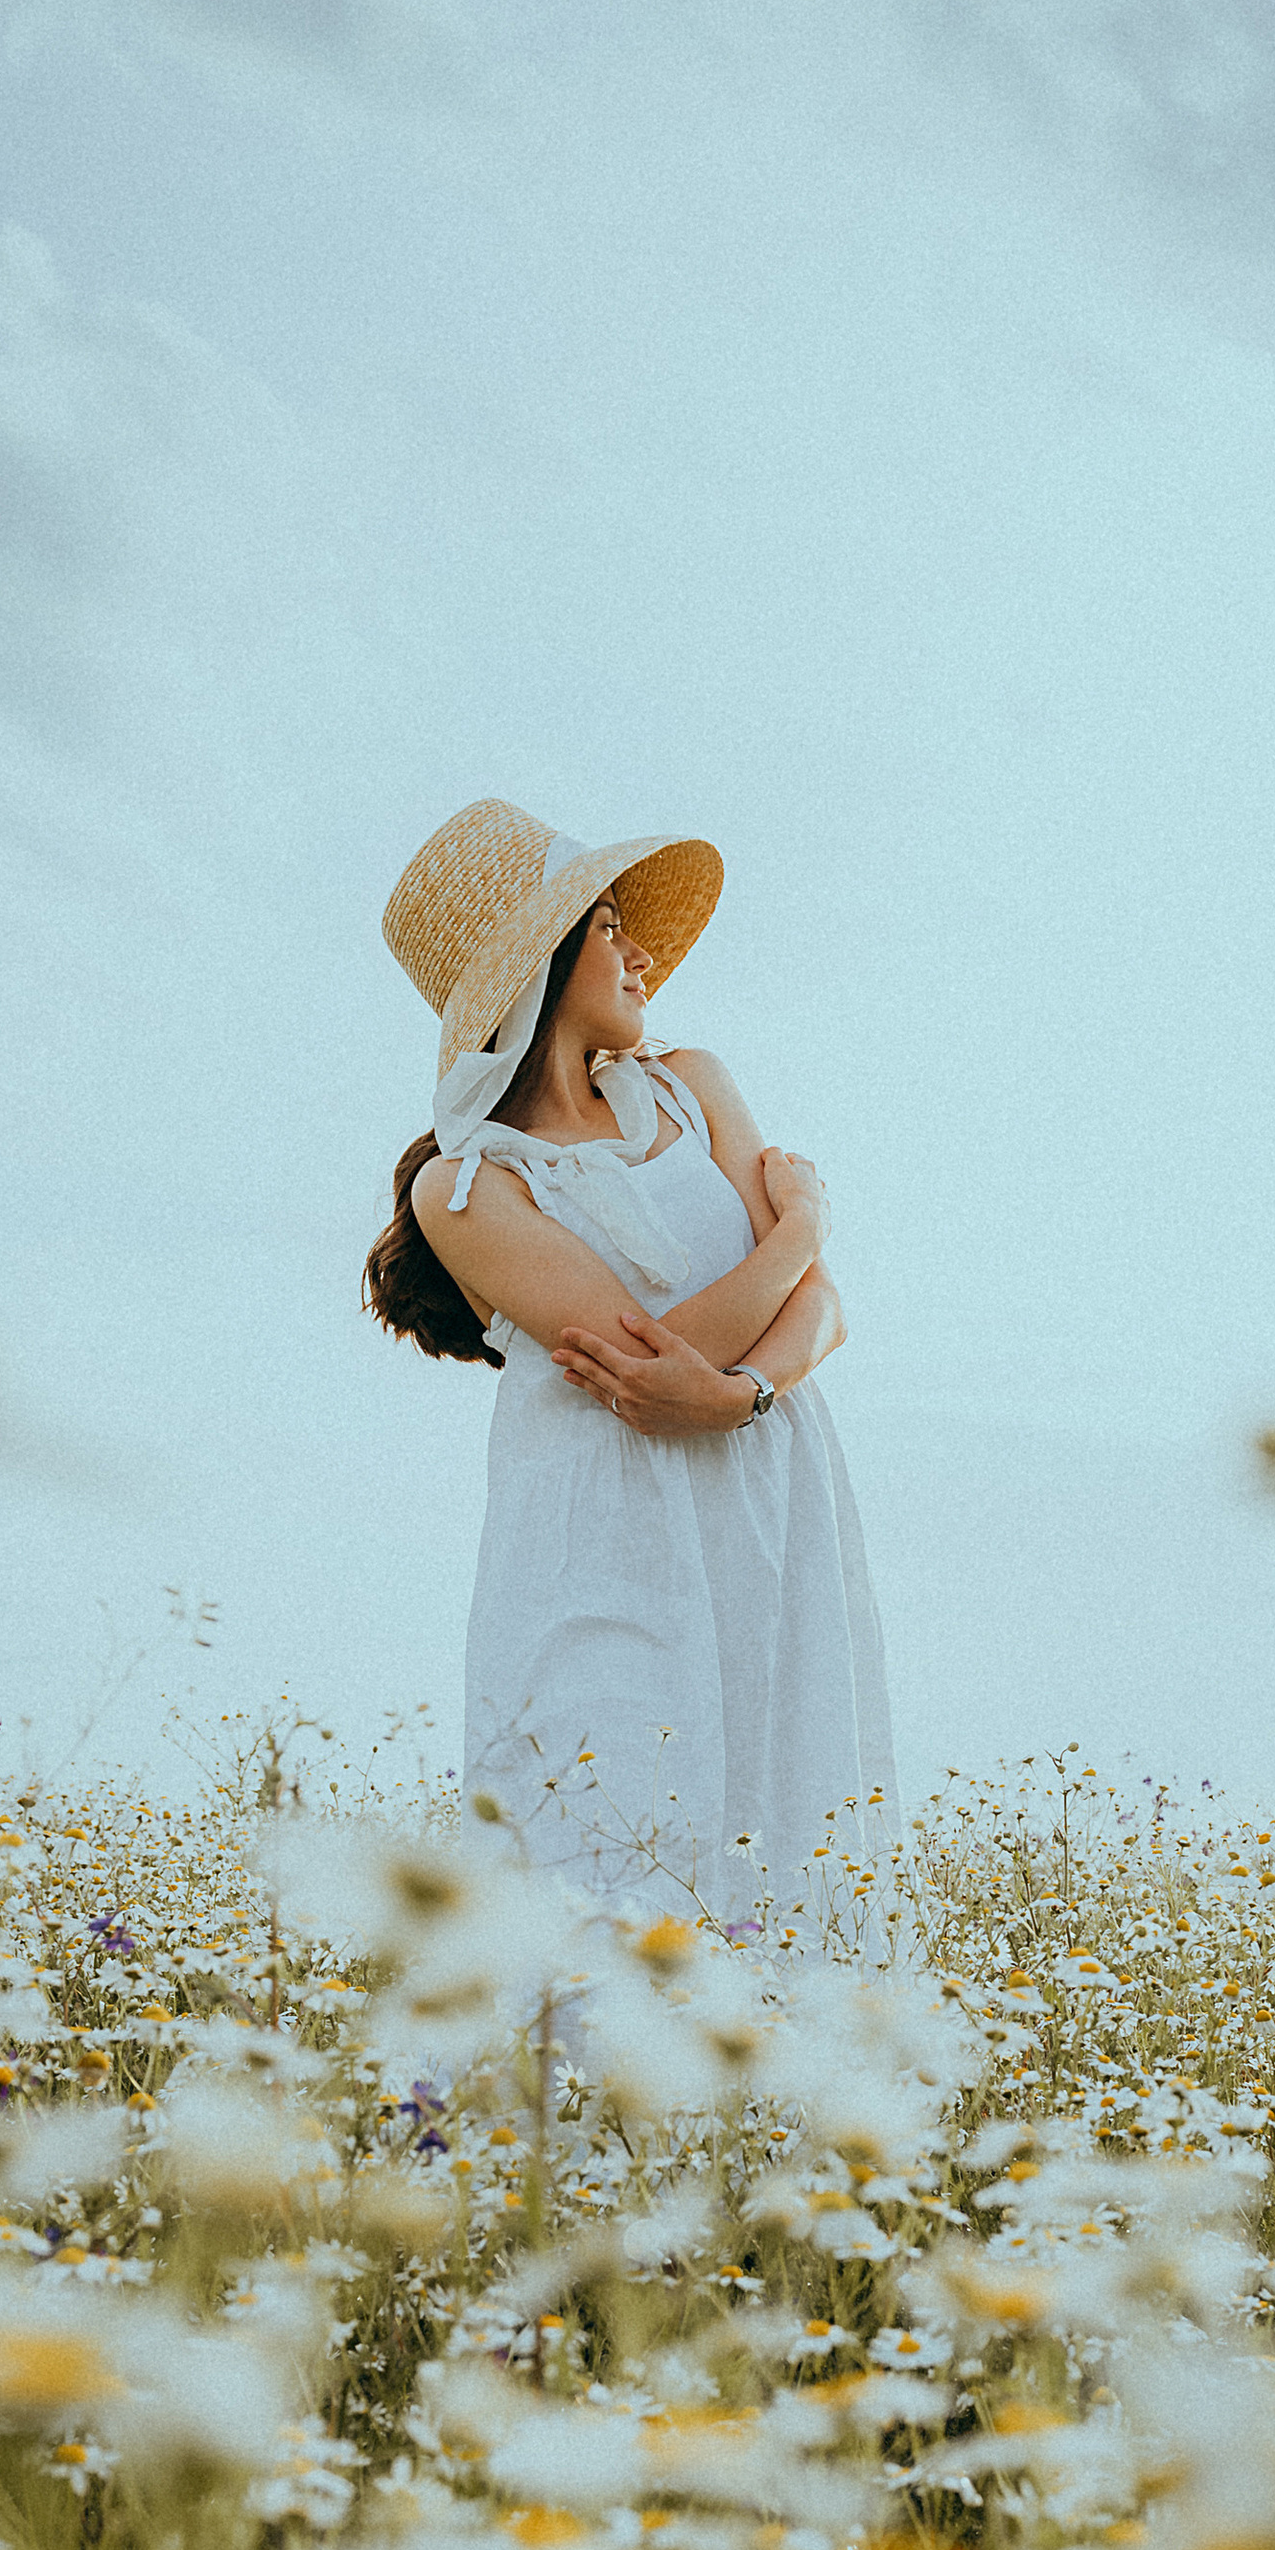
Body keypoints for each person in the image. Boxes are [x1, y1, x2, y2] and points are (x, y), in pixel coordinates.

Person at [369, 798, 897, 1924]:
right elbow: (650, 1362)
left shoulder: (693, 1085)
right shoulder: (469, 1186)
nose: (640, 952)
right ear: (541, 964)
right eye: (608, 927)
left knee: (783, 1820)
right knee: (601, 1836)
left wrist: (744, 1393)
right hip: (599, 1535)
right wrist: (801, 1228)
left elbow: (822, 1312)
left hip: (765, 1494)